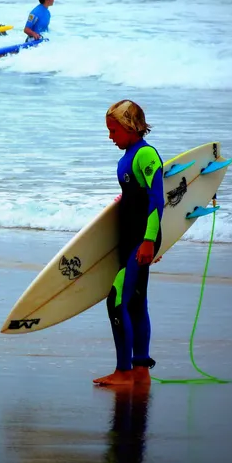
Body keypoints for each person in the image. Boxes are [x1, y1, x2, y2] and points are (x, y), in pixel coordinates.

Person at [94, 99, 163, 387]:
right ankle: (141, 370)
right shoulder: (130, 154)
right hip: (132, 237)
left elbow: (157, 200)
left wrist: (149, 242)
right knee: (135, 301)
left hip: (140, 239)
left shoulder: (145, 155)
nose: (111, 136)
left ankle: (124, 372)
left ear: (130, 127)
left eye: (114, 130)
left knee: (117, 299)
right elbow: (138, 194)